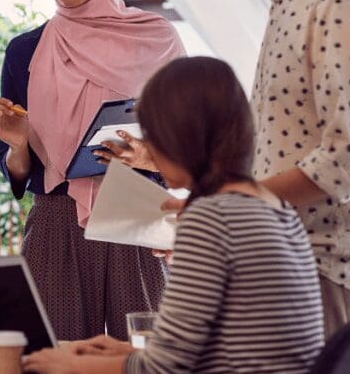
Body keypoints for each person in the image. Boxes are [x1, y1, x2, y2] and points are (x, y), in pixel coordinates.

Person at [106, 0, 350, 338]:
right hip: (285, 263)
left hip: (322, 271)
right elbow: (284, 145)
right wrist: (173, 161)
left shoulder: (331, 2)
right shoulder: (291, 1)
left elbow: (343, 155)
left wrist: (227, 207)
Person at [24, 57, 324, 374]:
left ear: (180, 136)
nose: (148, 147)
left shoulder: (211, 218)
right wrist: (125, 350)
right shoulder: (275, 208)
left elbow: (164, 368)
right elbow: (219, 346)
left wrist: (67, 364)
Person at [0, 0, 185, 341]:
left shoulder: (156, 38)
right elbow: (17, 171)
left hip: (137, 207)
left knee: (147, 355)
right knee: (55, 357)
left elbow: (188, 141)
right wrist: (17, 144)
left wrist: (149, 153)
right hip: (56, 218)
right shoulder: (25, 51)